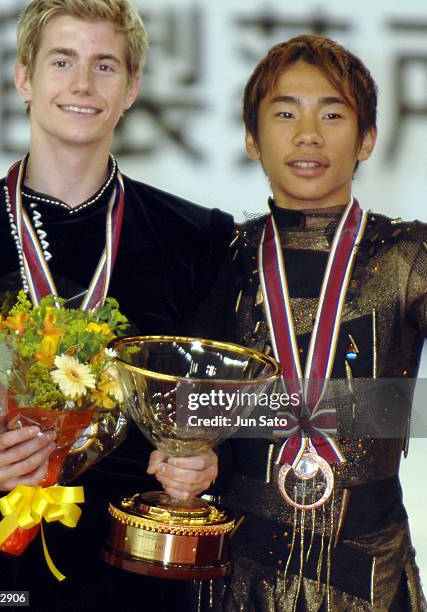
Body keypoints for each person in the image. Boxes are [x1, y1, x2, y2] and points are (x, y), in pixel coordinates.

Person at [0, 1, 234, 610]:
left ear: (132, 88)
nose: (83, 84)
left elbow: (227, 406)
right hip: (9, 565)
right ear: (23, 77)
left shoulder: (195, 237)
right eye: (62, 61)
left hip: (148, 564)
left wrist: (205, 461)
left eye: (105, 66)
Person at [192, 35, 426, 611]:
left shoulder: (411, 258)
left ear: (366, 138)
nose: (308, 135)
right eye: (284, 113)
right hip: (236, 575)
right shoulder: (222, 255)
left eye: (332, 113)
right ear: (252, 139)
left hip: (371, 576)